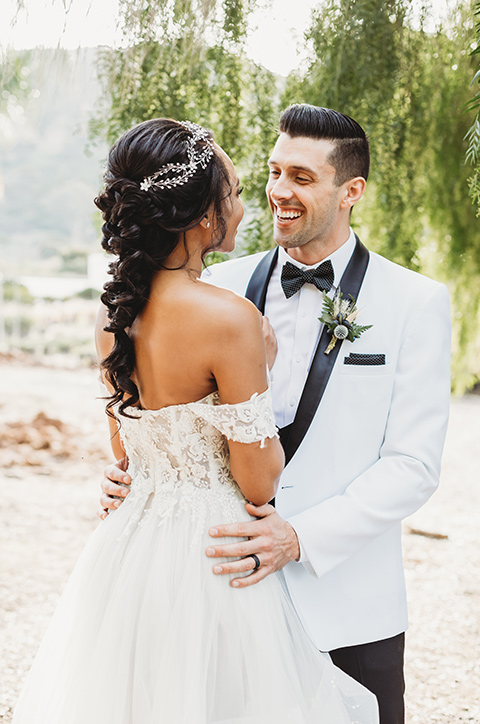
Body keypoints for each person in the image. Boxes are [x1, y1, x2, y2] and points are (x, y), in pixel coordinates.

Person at [12, 118, 379, 724]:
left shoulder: (111, 320)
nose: (243, 207)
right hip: (213, 551)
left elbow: (125, 455)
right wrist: (258, 363)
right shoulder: (227, 318)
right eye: (233, 193)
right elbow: (258, 482)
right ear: (205, 216)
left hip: (129, 551)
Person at [102, 105, 452, 724]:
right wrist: (127, 478)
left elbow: (413, 464)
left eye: (302, 177)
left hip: (347, 604)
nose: (278, 192)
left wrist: (300, 538)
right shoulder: (218, 288)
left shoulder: (414, 302)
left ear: (352, 191)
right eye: (272, 171)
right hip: (221, 602)